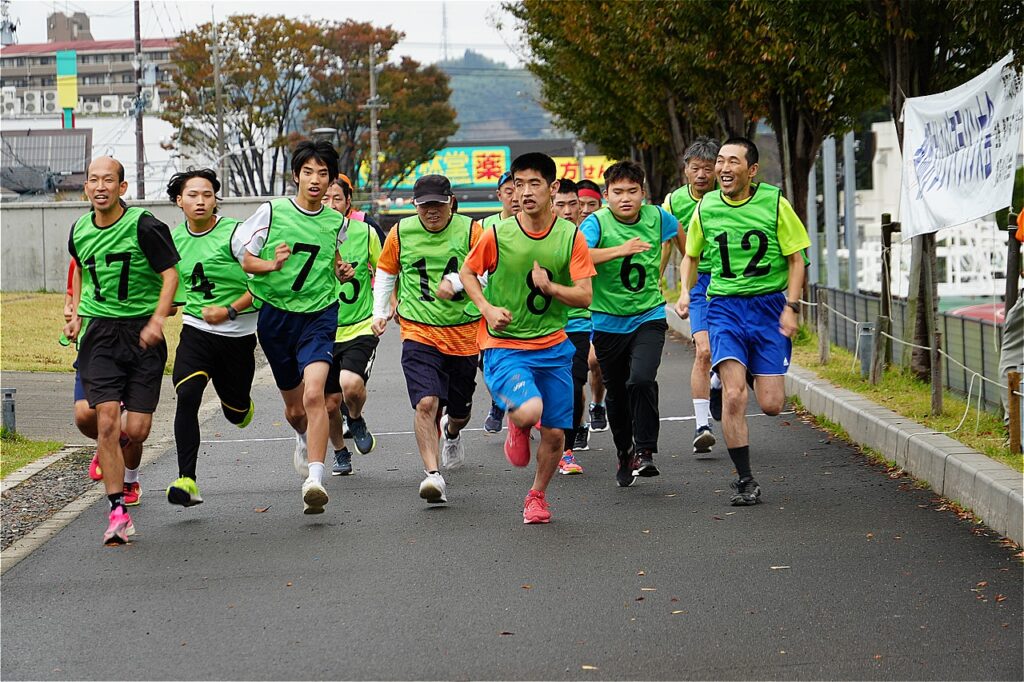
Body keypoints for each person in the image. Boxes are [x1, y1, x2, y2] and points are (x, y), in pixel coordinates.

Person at [461, 152, 595, 523]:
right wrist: (487, 309)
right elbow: (468, 273)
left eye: (534, 183)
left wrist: (551, 287)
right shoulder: (498, 234)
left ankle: (536, 496)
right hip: (505, 345)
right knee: (532, 410)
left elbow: (584, 295)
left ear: (552, 188)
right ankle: (517, 421)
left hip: (553, 346)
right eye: (518, 184)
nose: (524, 192)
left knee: (555, 435)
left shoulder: (570, 236)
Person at [675, 137, 809, 506]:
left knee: (771, 405)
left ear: (751, 170)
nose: (723, 168)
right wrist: (686, 291)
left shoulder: (774, 204)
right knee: (736, 394)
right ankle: (745, 479)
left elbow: (797, 259)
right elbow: (691, 255)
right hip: (725, 307)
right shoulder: (706, 208)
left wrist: (791, 307)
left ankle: (739, 371)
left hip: (768, 307)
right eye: (720, 161)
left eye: (732, 161)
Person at [63, 156, 180, 545]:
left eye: (108, 180)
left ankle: (116, 457)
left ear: (122, 187)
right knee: (104, 421)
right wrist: (77, 311)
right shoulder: (79, 229)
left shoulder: (144, 225)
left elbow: (170, 275)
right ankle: (117, 511)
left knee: (136, 429)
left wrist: (157, 320)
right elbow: (80, 267)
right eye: (93, 180)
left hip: (143, 334)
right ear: (86, 189)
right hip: (100, 334)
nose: (100, 186)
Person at [235, 140, 354, 515]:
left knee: (315, 395)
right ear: (296, 176)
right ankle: (302, 436)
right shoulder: (272, 212)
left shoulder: (337, 221)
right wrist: (272, 265)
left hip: (320, 314)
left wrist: (340, 269)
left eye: (323, 174)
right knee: (294, 410)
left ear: (331, 180)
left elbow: (330, 255)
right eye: (308, 173)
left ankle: (315, 480)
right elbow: (244, 258)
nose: (315, 180)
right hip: (276, 317)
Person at [372, 174, 482, 504]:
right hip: (419, 330)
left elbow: (489, 273)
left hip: (463, 332)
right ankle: (433, 475)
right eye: (424, 205)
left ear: (451, 202)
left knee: (459, 410)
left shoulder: (471, 230)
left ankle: (452, 430)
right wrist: (380, 311)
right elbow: (386, 272)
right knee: (426, 403)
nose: (431, 211)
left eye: (437, 204)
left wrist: (457, 283)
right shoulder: (401, 233)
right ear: (415, 206)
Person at [581, 161, 681, 487]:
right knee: (617, 394)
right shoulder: (596, 222)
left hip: (648, 315)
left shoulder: (657, 217)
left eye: (632, 191)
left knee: (641, 379)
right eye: (618, 192)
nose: (626, 198)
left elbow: (688, 245)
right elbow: (577, 257)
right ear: (606, 194)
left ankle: (646, 450)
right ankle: (624, 450)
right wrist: (620, 250)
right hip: (608, 321)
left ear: (643, 194)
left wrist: (691, 282)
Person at [165, 168, 257, 507]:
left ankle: (241, 406)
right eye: (192, 195)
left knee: (235, 414)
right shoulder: (173, 241)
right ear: (179, 201)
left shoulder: (236, 234)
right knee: (187, 393)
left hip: (238, 334)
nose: (200, 201)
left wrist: (229, 311)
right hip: (197, 331)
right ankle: (186, 479)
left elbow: (261, 286)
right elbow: (171, 287)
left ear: (216, 198)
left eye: (207, 194)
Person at [662, 137, 721, 455]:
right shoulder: (673, 202)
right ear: (686, 170)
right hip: (697, 282)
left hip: (730, 283)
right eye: (696, 168)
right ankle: (702, 425)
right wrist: (658, 282)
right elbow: (665, 245)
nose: (702, 174)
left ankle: (717, 384)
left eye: (707, 169)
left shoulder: (727, 199)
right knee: (703, 351)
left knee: (729, 354)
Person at [321, 179, 382, 476]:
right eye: (325, 199)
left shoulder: (366, 232)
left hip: (359, 324)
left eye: (337, 199)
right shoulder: (311, 235)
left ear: (348, 203)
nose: (331, 205)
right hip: (321, 329)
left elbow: (386, 271)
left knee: (350, 385)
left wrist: (386, 307)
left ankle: (355, 417)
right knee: (329, 405)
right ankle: (340, 452)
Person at [552, 178, 589, 473]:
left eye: (572, 204)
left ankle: (567, 450)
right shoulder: (535, 235)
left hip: (578, 322)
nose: (567, 210)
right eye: (560, 204)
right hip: (540, 326)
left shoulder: (585, 236)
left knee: (574, 387)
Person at [481, 170, 520, 432]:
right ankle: (498, 399)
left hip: (526, 308)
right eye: (509, 191)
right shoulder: (484, 227)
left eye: (519, 189)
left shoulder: (539, 225)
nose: (516, 197)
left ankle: (519, 412)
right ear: (499, 195)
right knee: (489, 363)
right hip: (488, 311)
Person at [577, 178, 609, 434]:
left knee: (595, 362)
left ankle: (598, 404)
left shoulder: (605, 230)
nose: (586, 209)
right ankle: (577, 426)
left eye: (592, 204)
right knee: (575, 375)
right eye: (581, 204)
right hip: (571, 313)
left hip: (601, 308)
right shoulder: (561, 232)